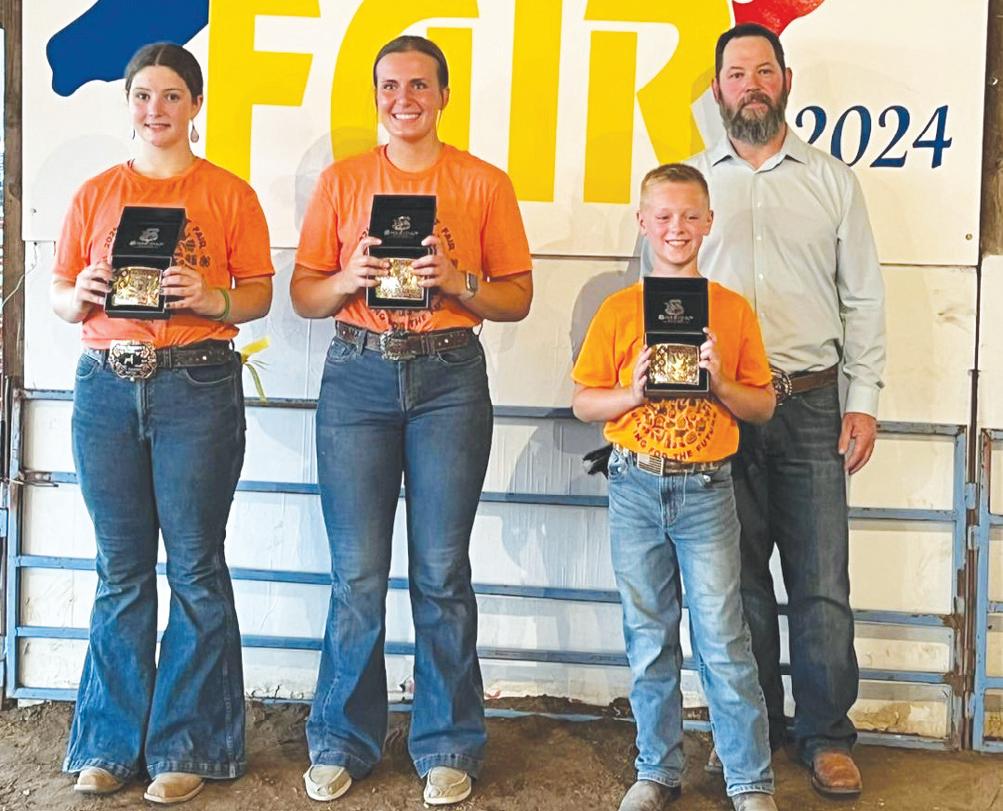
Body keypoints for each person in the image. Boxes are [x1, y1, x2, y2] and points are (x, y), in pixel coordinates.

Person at [641, 23, 886, 799]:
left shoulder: (831, 181)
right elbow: (654, 294)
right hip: (712, 409)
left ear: (785, 80)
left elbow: (862, 298)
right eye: (736, 73)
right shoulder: (689, 189)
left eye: (763, 71)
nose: (750, 85)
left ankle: (825, 735)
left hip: (810, 403)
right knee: (732, 584)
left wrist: (863, 400)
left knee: (820, 582)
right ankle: (748, 732)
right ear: (718, 90)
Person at [291, 35, 533, 806]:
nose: (404, 99)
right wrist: (346, 277)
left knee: (440, 571)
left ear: (444, 95)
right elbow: (304, 294)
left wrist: (459, 280)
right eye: (390, 86)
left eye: (419, 85)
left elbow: (516, 296)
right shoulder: (343, 181)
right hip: (357, 375)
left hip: (448, 379)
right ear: (375, 97)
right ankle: (341, 739)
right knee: (357, 574)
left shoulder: (482, 182)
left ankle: (448, 742)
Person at [51, 42, 274, 805]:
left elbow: (258, 293)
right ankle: (109, 745)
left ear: (196, 105)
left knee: (195, 567)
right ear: (129, 104)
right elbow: (60, 294)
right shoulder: (94, 194)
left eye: (172, 95)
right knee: (119, 570)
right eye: (144, 95)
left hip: (197, 384)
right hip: (105, 386)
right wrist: (80, 292)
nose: (157, 109)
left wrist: (212, 298)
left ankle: (189, 744)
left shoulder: (229, 194)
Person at [573, 163, 779, 811]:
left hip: (706, 489)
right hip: (634, 484)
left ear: (709, 222)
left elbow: (763, 404)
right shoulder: (617, 311)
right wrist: (631, 392)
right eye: (662, 216)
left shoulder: (732, 311)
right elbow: (584, 401)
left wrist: (721, 384)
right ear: (642, 222)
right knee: (648, 635)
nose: (676, 228)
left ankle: (749, 778)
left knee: (723, 637)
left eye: (690, 216)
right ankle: (656, 769)